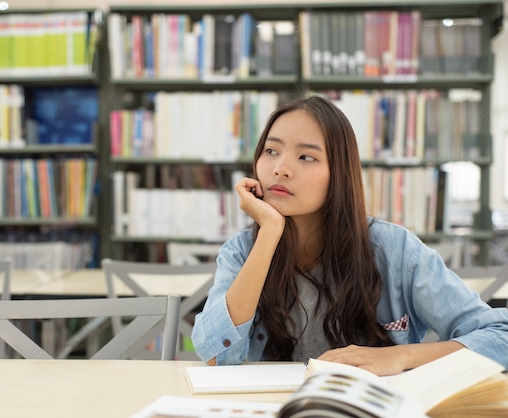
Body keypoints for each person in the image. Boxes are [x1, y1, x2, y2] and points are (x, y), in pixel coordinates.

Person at [191, 95, 508, 375]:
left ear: (338, 174)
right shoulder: (242, 251)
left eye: (306, 157)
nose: (280, 168)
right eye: (271, 151)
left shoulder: (394, 249)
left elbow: (500, 336)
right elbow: (217, 358)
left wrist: (401, 356)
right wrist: (270, 231)